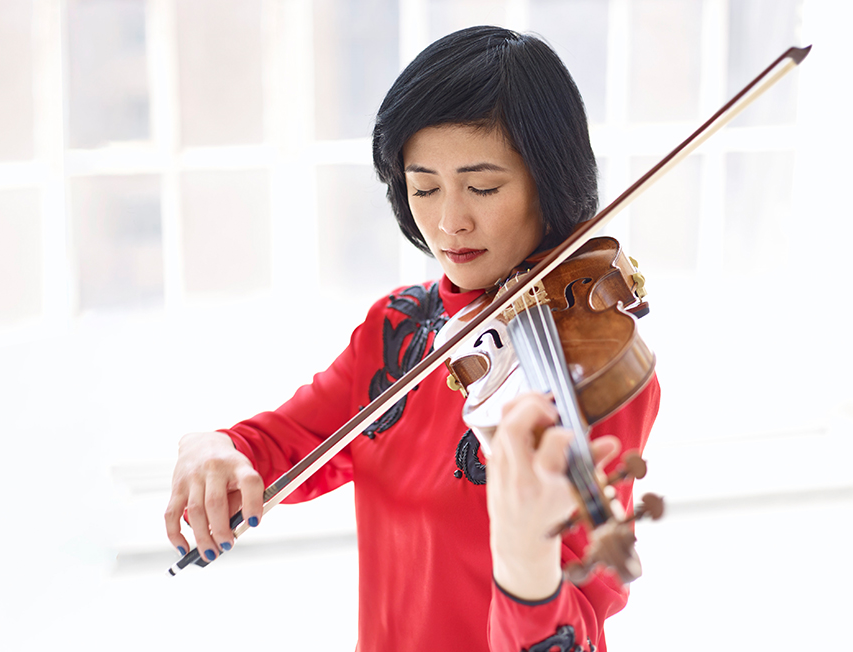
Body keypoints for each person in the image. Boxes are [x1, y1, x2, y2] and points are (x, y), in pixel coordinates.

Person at [164, 25, 660, 652]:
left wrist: (526, 567)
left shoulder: (589, 365)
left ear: (548, 178)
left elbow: (577, 628)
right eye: (424, 187)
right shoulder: (397, 329)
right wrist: (214, 448)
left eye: (483, 186)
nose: (449, 221)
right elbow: (280, 444)